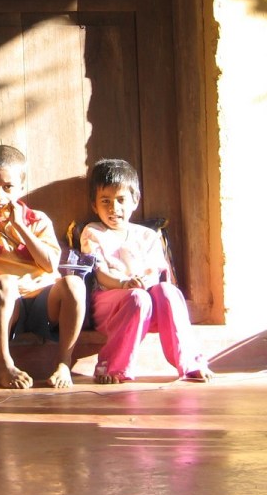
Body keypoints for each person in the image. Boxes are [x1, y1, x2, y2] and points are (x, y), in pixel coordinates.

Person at [0, 144, 85, 389]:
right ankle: (4, 364)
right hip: (7, 305)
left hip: (45, 302)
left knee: (74, 284)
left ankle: (64, 363)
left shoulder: (36, 220)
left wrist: (20, 227)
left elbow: (50, 265)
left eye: (8, 187)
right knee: (4, 280)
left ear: (21, 187)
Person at [79, 158, 211, 384]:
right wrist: (124, 284)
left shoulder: (148, 235)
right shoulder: (93, 232)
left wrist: (143, 282)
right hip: (111, 306)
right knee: (137, 297)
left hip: (148, 305)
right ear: (94, 205)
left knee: (167, 291)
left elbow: (154, 272)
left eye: (121, 200)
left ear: (135, 200)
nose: (114, 208)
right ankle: (112, 367)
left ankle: (190, 363)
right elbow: (100, 273)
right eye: (105, 201)